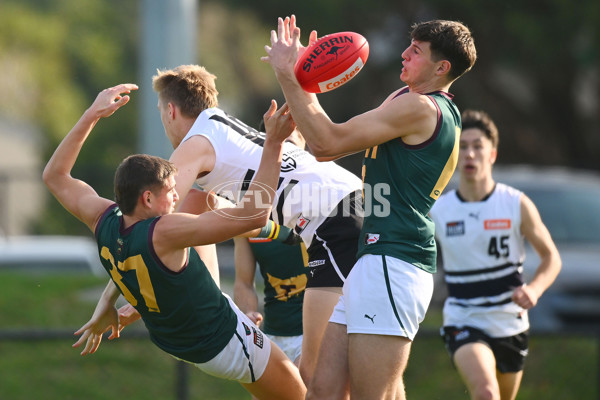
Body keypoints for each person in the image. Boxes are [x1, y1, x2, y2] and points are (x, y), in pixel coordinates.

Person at [42, 83, 306, 400]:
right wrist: (274, 144)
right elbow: (254, 217)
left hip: (177, 339)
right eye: (170, 191)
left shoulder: (103, 218)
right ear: (148, 198)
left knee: (199, 202)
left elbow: (55, 177)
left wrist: (91, 114)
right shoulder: (165, 231)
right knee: (303, 395)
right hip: (222, 338)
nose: (177, 193)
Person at [263, 15, 477, 400]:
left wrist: (289, 74)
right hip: (372, 257)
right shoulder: (405, 99)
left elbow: (327, 144)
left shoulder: (421, 108)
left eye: (416, 51)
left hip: (396, 261)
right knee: (322, 390)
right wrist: (306, 75)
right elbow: (324, 139)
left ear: (441, 68)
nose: (403, 54)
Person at [152, 64, 363, 385]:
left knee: (319, 377)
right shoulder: (221, 127)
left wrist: (126, 293)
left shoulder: (193, 146)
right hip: (349, 203)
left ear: (170, 111)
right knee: (365, 369)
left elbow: (155, 224)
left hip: (334, 218)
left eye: (160, 113)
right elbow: (193, 218)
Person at [430, 109, 561, 400]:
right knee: (487, 393)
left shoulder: (515, 203)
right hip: (464, 319)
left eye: (478, 146)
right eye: (462, 147)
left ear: (492, 154)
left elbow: (551, 257)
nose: (470, 154)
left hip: (510, 321)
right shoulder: (439, 210)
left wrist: (535, 290)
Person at [234, 128, 309, 371]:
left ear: (305, 150)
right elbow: (243, 282)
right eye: (276, 146)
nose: (283, 153)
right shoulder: (248, 212)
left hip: (317, 333)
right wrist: (248, 313)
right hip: (272, 337)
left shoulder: (324, 201)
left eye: (290, 144)